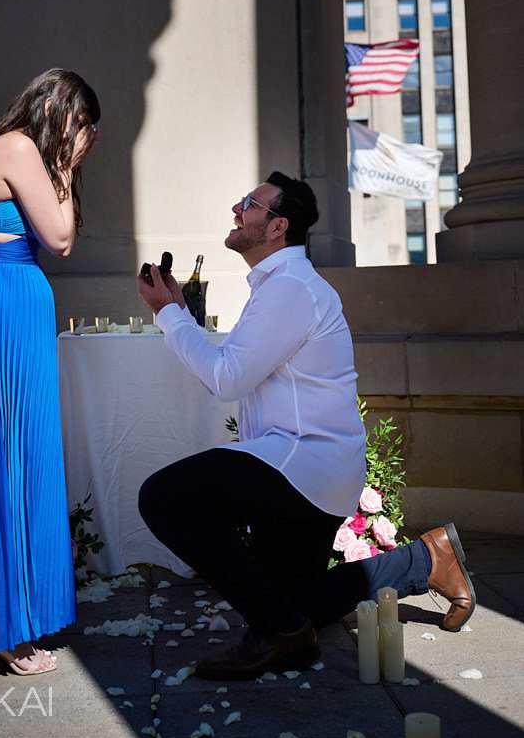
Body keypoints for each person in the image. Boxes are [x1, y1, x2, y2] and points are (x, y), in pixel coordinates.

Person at [137, 172, 475, 681]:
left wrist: (169, 315)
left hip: (302, 462)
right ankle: (424, 559)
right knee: (299, 603)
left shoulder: (291, 287)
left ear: (278, 227)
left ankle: (282, 637)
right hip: (313, 468)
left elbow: (226, 379)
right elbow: (232, 370)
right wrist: (181, 311)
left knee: (163, 497)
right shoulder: (282, 285)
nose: (236, 208)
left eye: (249, 204)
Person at [0, 67, 101, 677]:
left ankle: (16, 615)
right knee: (6, 462)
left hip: (14, 306)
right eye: (81, 124)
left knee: (24, 459)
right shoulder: (18, 148)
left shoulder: (17, 151)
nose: (84, 137)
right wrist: (66, 164)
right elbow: (60, 236)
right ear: (60, 110)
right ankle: (2, 627)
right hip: (5, 308)